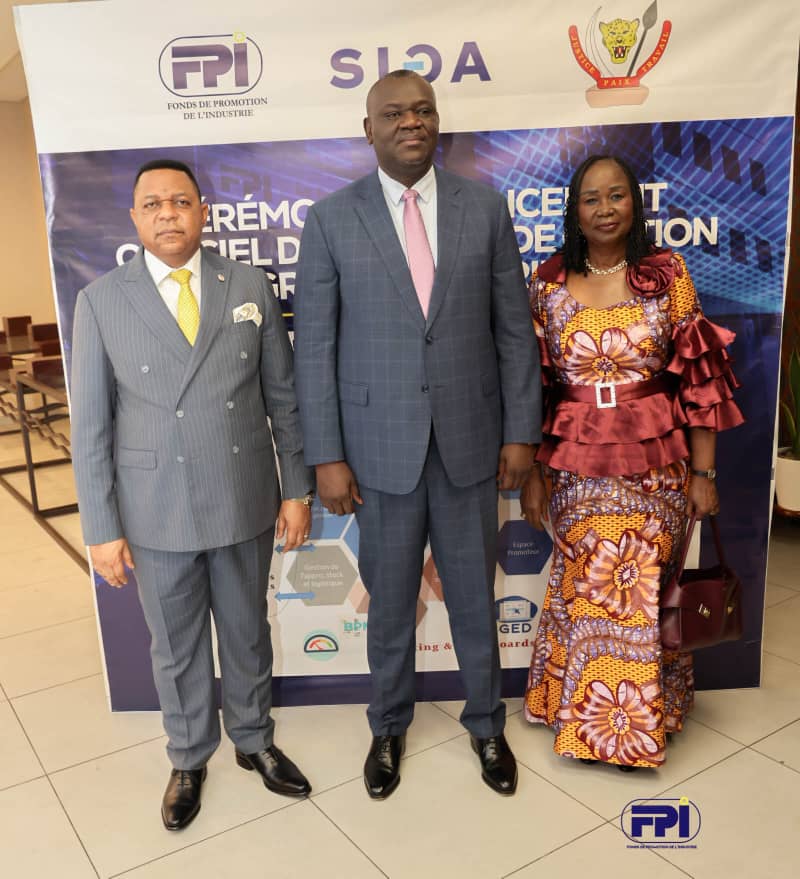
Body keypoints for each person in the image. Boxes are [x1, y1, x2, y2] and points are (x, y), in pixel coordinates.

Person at [293, 70, 541, 798]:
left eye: (424, 110)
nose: (412, 122)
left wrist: (522, 433)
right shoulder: (330, 219)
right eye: (395, 112)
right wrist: (325, 455)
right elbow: (315, 348)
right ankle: (388, 724)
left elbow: (513, 331)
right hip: (377, 452)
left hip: (471, 443)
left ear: (438, 122)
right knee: (391, 601)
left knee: (474, 599)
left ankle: (487, 723)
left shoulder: (484, 208)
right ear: (367, 128)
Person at [70, 158, 315, 830]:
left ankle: (254, 739)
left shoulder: (248, 284)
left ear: (203, 211)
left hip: (242, 493)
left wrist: (297, 487)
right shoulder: (101, 301)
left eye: (180, 201)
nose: (167, 214)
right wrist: (101, 526)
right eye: (152, 204)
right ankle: (187, 756)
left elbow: (282, 396)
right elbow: (90, 427)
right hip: (155, 505)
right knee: (175, 646)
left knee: (246, 631)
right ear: (134, 218)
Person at [521, 154, 744, 770]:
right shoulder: (547, 283)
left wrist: (704, 474)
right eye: (591, 198)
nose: (605, 209)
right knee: (588, 584)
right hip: (573, 468)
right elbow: (532, 387)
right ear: (574, 210)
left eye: (616, 195)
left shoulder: (667, 276)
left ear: (634, 203)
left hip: (658, 468)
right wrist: (534, 473)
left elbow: (700, 380)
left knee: (642, 588)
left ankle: (634, 727)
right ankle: (589, 718)